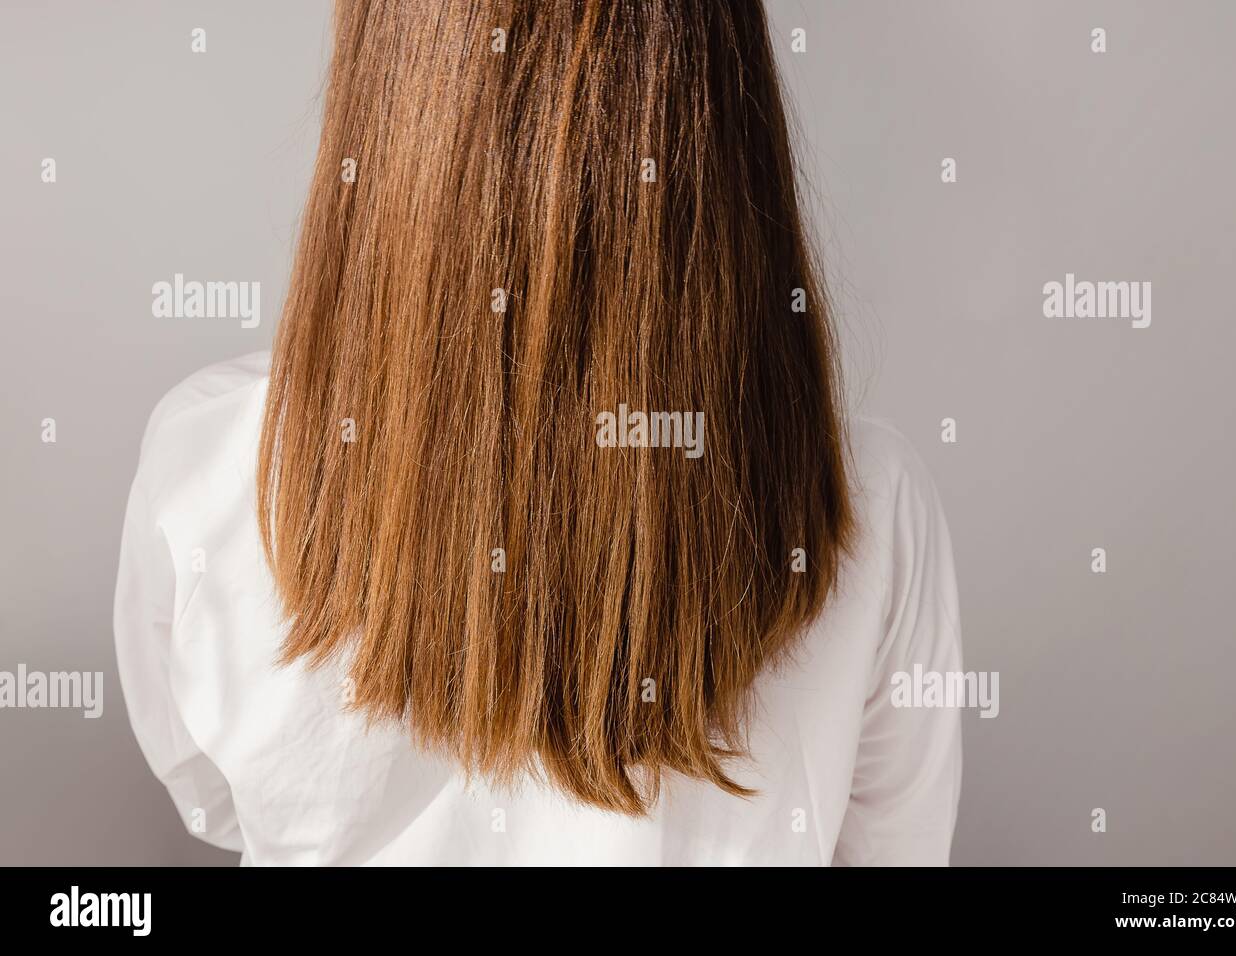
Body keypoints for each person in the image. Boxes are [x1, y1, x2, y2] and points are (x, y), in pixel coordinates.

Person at [114, 0, 962, 866]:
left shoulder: (211, 469)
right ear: (723, 113)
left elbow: (210, 799)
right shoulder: (869, 510)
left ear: (384, 78)